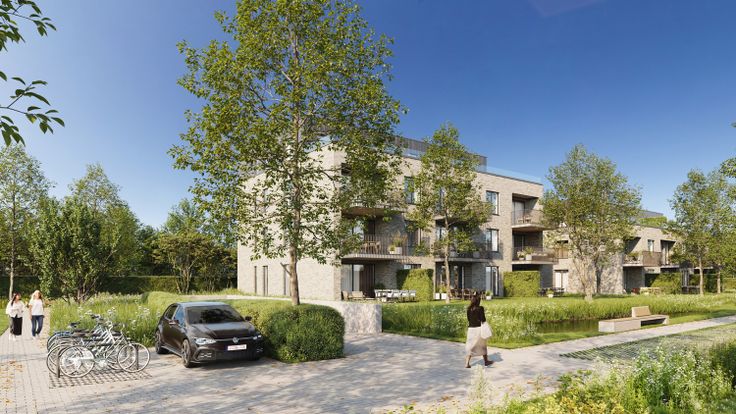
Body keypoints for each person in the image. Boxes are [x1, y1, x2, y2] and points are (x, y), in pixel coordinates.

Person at [465, 294, 493, 368]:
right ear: (478, 301)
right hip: (479, 329)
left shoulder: (468, 309)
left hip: (471, 330)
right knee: (482, 345)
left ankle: (467, 363)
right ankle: (486, 361)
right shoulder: (480, 308)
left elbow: (469, 319)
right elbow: (483, 319)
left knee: (470, 346)